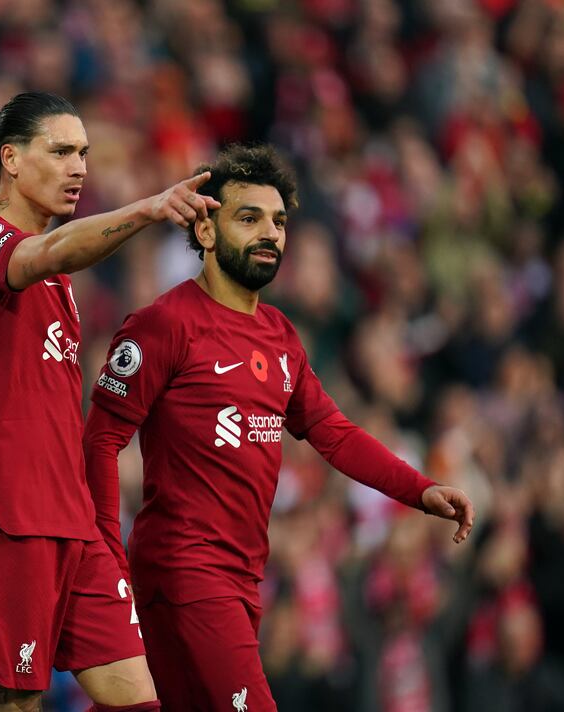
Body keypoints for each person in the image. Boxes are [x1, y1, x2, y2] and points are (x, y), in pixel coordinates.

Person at [82, 144, 476, 711]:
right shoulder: (164, 325)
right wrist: (106, 558)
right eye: (249, 218)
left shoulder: (281, 336)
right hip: (187, 570)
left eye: (278, 221)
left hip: (241, 577)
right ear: (207, 230)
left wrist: (420, 490)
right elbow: (101, 439)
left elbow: (333, 432)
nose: (270, 233)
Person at [0, 91, 220, 712]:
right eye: (61, 151)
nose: (79, 167)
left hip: (76, 521)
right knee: (11, 703)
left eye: (84, 153)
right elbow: (46, 250)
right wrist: (146, 209)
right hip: (6, 515)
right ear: (10, 159)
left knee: (142, 700)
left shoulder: (59, 282)